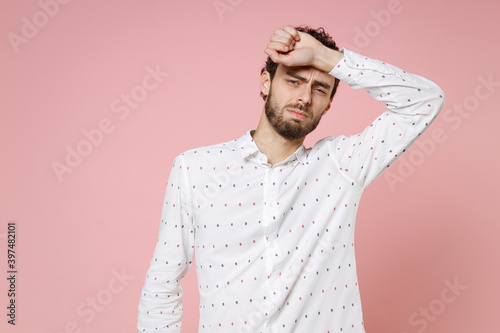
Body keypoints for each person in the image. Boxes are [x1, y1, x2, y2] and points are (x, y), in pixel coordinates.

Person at [137, 24, 445, 333]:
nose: (304, 97)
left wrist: (328, 58)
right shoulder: (195, 169)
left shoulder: (341, 166)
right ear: (266, 82)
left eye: (320, 88)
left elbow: (425, 101)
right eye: (294, 81)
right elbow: (162, 284)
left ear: (329, 104)